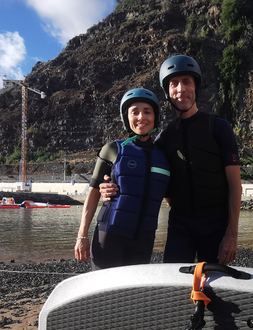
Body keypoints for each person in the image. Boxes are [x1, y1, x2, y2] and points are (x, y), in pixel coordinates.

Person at [100, 55, 241, 265]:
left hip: (216, 224)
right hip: (180, 225)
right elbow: (144, 176)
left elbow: (234, 183)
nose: (181, 89)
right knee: (175, 289)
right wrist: (109, 186)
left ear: (196, 87)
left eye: (187, 82)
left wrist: (232, 234)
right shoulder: (164, 138)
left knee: (213, 288)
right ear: (167, 92)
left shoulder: (219, 128)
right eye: (174, 83)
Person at [75, 89, 170, 270]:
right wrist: (82, 236)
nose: (141, 117)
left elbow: (170, 197)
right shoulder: (112, 149)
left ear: (155, 117)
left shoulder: (164, 156)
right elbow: (94, 193)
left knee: (133, 297)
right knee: (104, 295)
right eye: (134, 112)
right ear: (127, 117)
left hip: (144, 241)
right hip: (109, 237)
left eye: (147, 111)